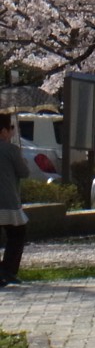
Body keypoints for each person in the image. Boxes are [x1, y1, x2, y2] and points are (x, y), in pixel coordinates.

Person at [0, 113, 29, 286]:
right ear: (3, 131)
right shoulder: (11, 149)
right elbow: (24, 172)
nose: (12, 132)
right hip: (7, 202)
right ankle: (8, 270)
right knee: (17, 234)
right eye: (11, 128)